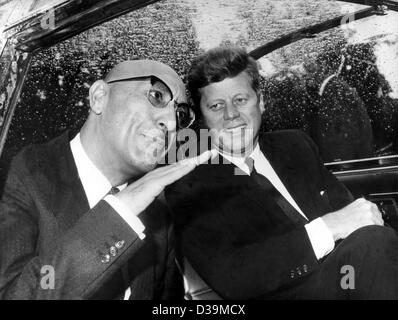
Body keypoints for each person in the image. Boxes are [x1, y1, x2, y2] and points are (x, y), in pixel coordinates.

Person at [165, 46, 398, 300]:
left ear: (261, 102)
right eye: (216, 106)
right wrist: (329, 228)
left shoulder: (294, 145)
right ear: (202, 120)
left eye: (240, 100)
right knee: (374, 245)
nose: (231, 115)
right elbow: (232, 278)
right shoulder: (191, 186)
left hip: (346, 278)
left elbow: (351, 215)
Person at [0, 59, 213, 299]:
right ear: (100, 97)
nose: (172, 123)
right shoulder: (16, 175)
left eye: (181, 115)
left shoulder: (159, 218)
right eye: (156, 96)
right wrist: (120, 214)